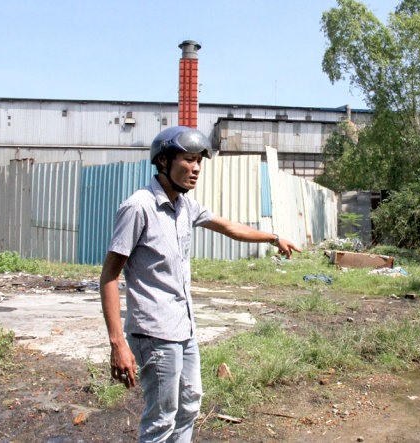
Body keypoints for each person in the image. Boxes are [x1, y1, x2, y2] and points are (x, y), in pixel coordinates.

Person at [99, 125, 301, 442]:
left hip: (184, 327)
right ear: (164, 161)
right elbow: (109, 276)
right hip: (154, 332)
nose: (195, 169)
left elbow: (229, 227)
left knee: (190, 405)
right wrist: (117, 344)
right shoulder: (139, 207)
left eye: (199, 162)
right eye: (188, 160)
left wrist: (274, 237)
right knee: (161, 418)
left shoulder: (185, 206)